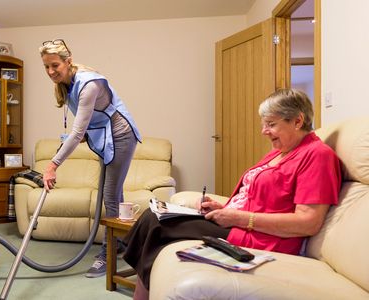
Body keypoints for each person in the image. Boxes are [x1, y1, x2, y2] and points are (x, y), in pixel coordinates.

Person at [122, 88, 341, 299]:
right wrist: (223, 208)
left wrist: (238, 217)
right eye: (264, 124)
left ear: (297, 121)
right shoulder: (281, 153)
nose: (264, 131)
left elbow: (308, 222)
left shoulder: (317, 155)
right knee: (155, 214)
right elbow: (255, 198)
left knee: (156, 222)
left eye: (271, 124)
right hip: (239, 223)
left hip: (260, 237)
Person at [39, 39, 142, 278]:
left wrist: (53, 165)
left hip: (121, 136)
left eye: (55, 65)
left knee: (109, 196)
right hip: (104, 137)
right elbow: (84, 126)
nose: (51, 72)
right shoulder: (67, 84)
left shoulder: (89, 85)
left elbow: (76, 133)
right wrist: (83, 135)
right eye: (46, 67)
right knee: (114, 193)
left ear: (68, 61)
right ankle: (119, 242)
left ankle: (108, 254)